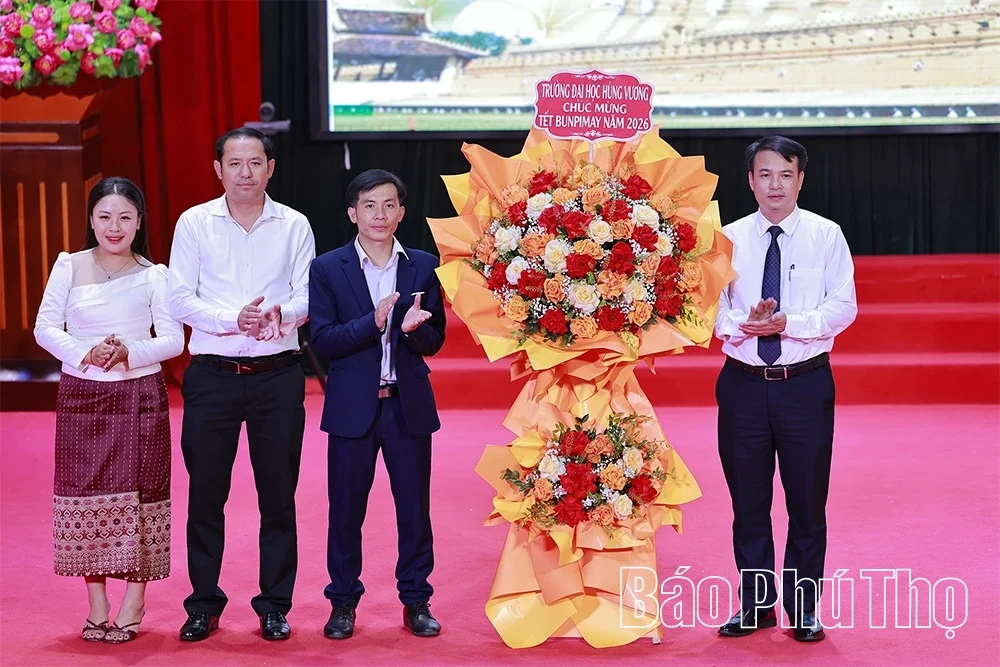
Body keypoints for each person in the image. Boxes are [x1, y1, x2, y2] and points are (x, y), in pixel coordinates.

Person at [167, 127, 315, 642]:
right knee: (206, 496)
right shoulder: (194, 223)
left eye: (255, 163)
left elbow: (307, 295)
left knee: (278, 497)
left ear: (270, 168)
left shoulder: (294, 224)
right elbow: (179, 298)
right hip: (213, 377)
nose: (245, 173)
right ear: (218, 169)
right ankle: (203, 604)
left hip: (278, 378)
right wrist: (233, 320)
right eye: (235, 163)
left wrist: (281, 313)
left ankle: (274, 605)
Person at [714, 136, 858, 642]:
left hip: (805, 387)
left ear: (800, 180)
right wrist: (745, 324)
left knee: (807, 503)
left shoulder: (826, 235)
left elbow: (843, 307)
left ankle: (804, 609)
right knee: (748, 504)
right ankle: (756, 605)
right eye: (765, 174)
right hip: (743, 388)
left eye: (785, 174)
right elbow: (708, 312)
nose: (775, 185)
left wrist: (787, 323)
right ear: (750, 181)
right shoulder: (727, 239)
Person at [34, 177, 184, 644]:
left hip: (140, 395)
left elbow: (173, 340)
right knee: (83, 494)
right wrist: (86, 351)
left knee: (143, 495)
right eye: (105, 217)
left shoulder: (155, 274)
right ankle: (96, 602)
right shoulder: (69, 264)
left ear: (139, 222)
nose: (114, 226)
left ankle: (135, 599)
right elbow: (44, 327)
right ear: (91, 220)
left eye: (124, 217)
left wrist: (128, 353)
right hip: (82, 393)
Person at [309, 169, 446, 640]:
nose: (379, 215)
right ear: (353, 213)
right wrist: (373, 322)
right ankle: (343, 603)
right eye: (369, 206)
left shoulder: (423, 265)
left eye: (389, 205)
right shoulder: (328, 267)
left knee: (414, 510)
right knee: (346, 511)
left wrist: (413, 331)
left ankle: (417, 601)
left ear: (402, 212)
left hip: (407, 406)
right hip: (352, 408)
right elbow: (323, 340)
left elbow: (436, 340)